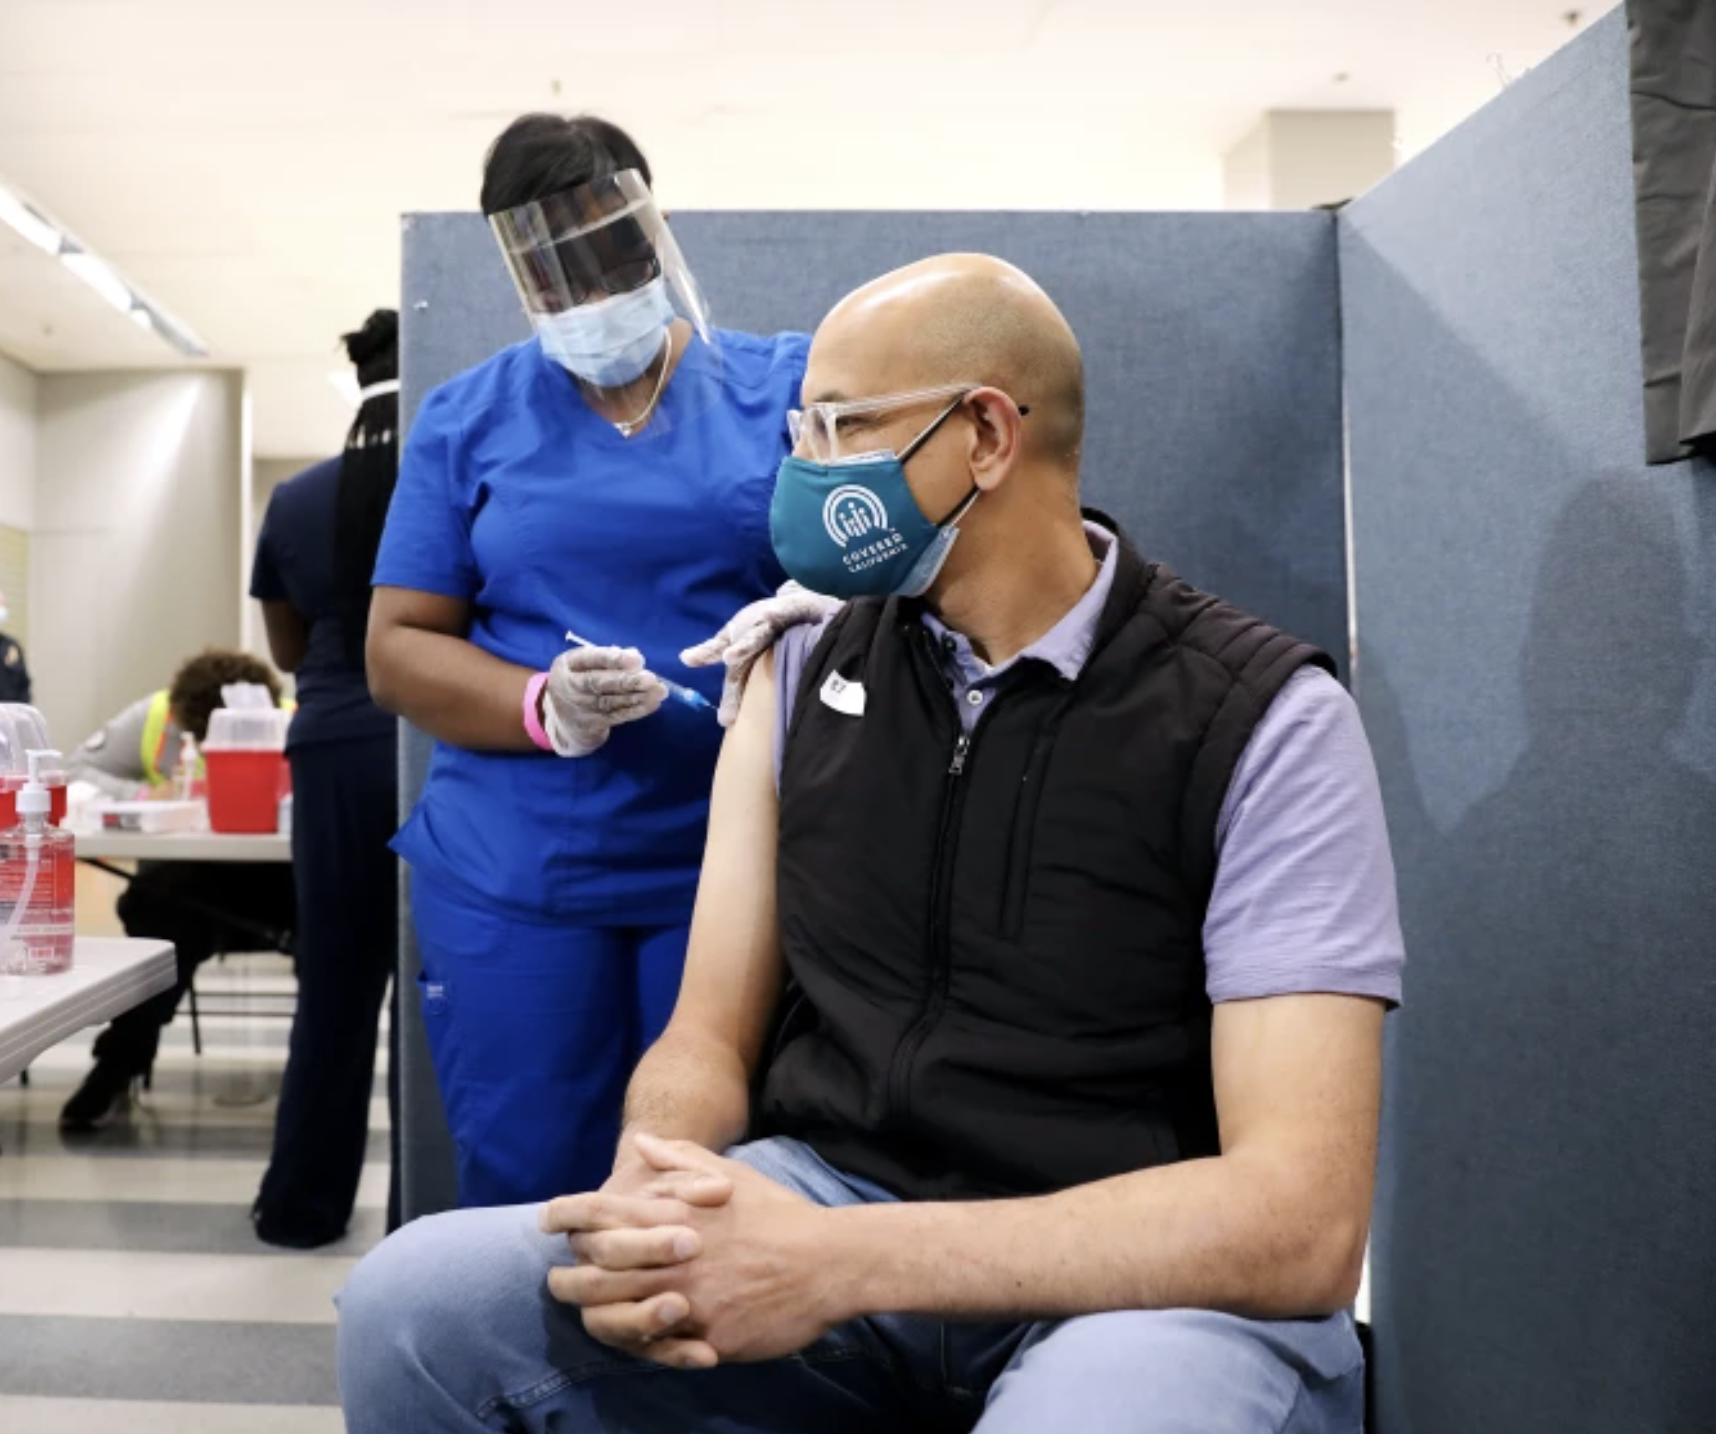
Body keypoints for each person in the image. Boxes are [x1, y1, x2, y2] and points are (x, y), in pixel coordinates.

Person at [338, 255, 1404, 1433]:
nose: (800, 474)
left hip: (1135, 1267)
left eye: (838, 430)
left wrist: (841, 1263)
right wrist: (661, 1177)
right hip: (830, 1192)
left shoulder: (1264, 723)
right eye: (800, 433)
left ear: (986, 435)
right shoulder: (800, 670)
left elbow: (1298, 1222)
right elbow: (704, 1035)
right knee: (411, 1305)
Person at [367, 114, 809, 1208]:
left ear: (654, 235)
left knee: (704, 1184)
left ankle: (691, 1387)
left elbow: (879, 579)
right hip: (520, 866)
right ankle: (528, 1385)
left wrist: (812, 609)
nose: (590, 294)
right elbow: (397, 648)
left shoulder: (780, 387)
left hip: (728, 857)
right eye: (556, 276)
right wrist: (538, 704)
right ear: (520, 276)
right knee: (532, 1178)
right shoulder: (467, 419)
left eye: (611, 256)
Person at [245, 311, 403, 1248]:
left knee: (336, 990)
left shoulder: (300, 499)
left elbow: (288, 650)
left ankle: (301, 1208)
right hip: (439, 747)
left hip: (335, 745)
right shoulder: (451, 481)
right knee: (443, 991)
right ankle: (430, 1211)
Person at [59, 647, 295, 1132]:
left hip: (275, 880)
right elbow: (75, 770)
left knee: (329, 924)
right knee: (159, 924)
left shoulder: (292, 721)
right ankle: (118, 1064)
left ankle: (315, 1072)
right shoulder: (153, 717)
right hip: (185, 885)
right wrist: (144, 796)